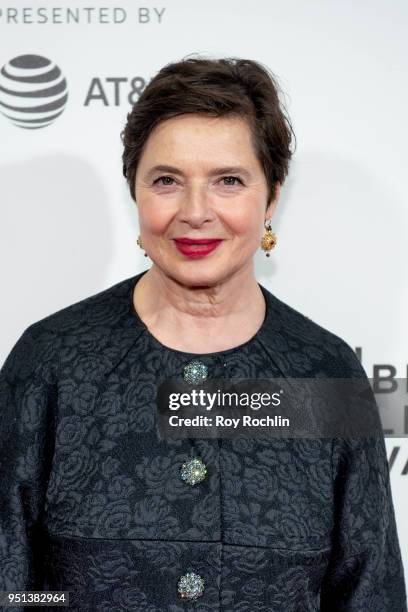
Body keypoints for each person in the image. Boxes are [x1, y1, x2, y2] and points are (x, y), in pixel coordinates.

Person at [0, 55, 406, 611]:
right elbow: (11, 586)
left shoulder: (325, 371)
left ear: (272, 196)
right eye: (166, 180)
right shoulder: (52, 362)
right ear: (135, 191)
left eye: (229, 181)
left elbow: (367, 592)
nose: (195, 212)